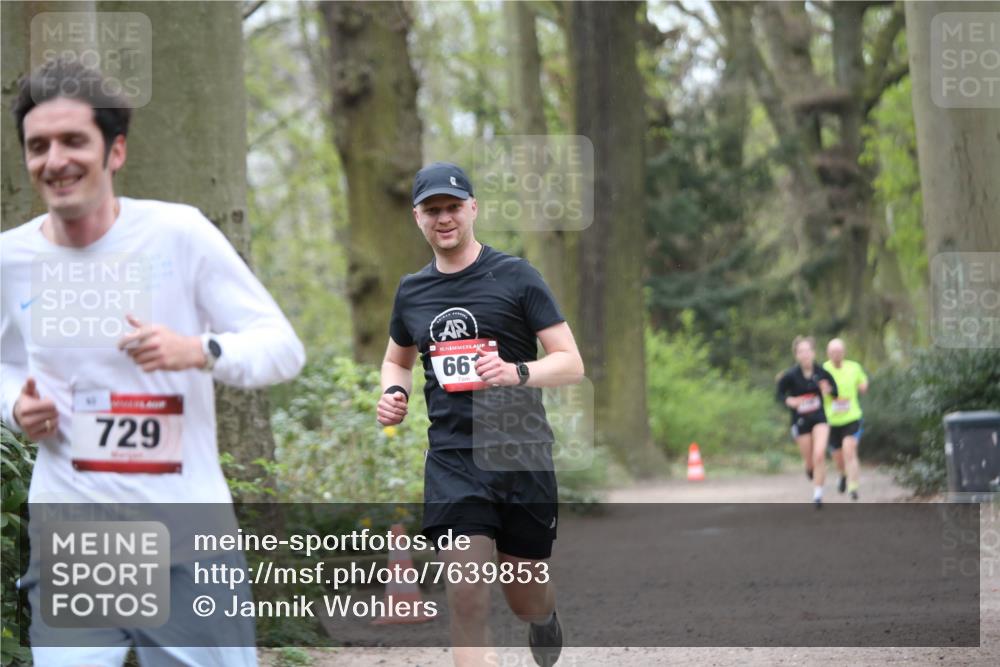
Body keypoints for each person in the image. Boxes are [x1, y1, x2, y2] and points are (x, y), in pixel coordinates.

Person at [2, 59, 305, 666]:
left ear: (115, 151)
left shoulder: (177, 235)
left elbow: (281, 346)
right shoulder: (12, 259)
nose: (54, 160)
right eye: (38, 146)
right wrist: (15, 404)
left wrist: (200, 350)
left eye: (73, 141)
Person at [376, 162, 584, 667]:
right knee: (467, 596)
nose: (443, 218)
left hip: (518, 450)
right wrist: (392, 394)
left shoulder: (516, 276)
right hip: (453, 458)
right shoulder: (412, 291)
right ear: (417, 217)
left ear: (473, 209)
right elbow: (395, 359)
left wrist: (517, 372)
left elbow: (571, 363)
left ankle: (543, 618)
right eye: (432, 210)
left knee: (524, 594)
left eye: (452, 207)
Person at [776, 336, 838, 508]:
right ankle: (810, 469)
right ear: (796, 355)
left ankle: (818, 495)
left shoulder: (822, 373)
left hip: (819, 418)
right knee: (810, 460)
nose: (805, 354)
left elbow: (835, 392)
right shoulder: (790, 376)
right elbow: (779, 395)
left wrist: (829, 390)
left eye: (808, 350)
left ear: (813, 352)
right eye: (801, 351)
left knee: (819, 454)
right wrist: (790, 401)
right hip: (800, 420)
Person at [823, 338, 869, 501]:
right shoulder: (823, 370)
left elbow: (863, 381)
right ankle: (842, 474)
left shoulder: (854, 367)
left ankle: (853, 487)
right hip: (831, 420)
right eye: (833, 352)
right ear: (828, 353)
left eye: (839, 351)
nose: (836, 354)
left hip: (852, 417)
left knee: (849, 450)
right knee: (838, 457)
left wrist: (863, 386)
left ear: (844, 352)